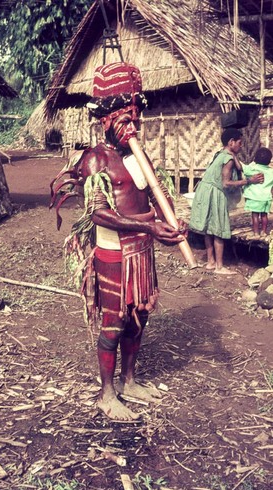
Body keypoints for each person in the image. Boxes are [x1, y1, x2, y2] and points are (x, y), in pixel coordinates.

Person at [53, 62, 186, 421]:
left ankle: (129, 381)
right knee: (114, 321)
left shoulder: (136, 158)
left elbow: (159, 202)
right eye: (124, 118)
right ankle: (106, 393)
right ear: (106, 119)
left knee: (139, 316)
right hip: (113, 254)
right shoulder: (96, 159)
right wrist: (149, 227)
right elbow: (98, 215)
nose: (132, 125)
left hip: (142, 254)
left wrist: (171, 226)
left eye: (135, 116)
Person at [189, 128, 264, 275]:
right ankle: (219, 266)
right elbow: (226, 183)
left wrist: (235, 156)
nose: (241, 146)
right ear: (231, 142)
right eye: (239, 143)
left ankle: (210, 262)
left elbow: (239, 166)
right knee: (218, 229)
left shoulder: (222, 153)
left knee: (209, 229)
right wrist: (249, 180)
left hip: (205, 191)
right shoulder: (228, 159)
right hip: (214, 193)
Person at [242, 147, 273, 238]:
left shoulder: (253, 169)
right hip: (266, 198)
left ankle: (256, 233)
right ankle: (263, 231)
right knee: (264, 216)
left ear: (255, 158)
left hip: (255, 198)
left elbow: (243, 167)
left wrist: (234, 156)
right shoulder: (271, 171)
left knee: (255, 216)